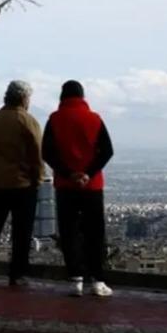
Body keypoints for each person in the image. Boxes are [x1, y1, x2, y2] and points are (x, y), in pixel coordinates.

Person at [42, 80, 114, 297]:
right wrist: (88, 174)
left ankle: (75, 279)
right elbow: (107, 151)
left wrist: (69, 173)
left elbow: (47, 152)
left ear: (62, 96)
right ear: (83, 97)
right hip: (92, 186)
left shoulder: (54, 119)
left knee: (69, 231)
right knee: (95, 232)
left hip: (65, 186)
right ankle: (98, 280)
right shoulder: (95, 119)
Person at [0, 80, 45, 286]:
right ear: (24, 99)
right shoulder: (28, 122)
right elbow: (37, 155)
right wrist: (38, 179)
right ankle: (17, 274)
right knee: (21, 232)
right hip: (22, 186)